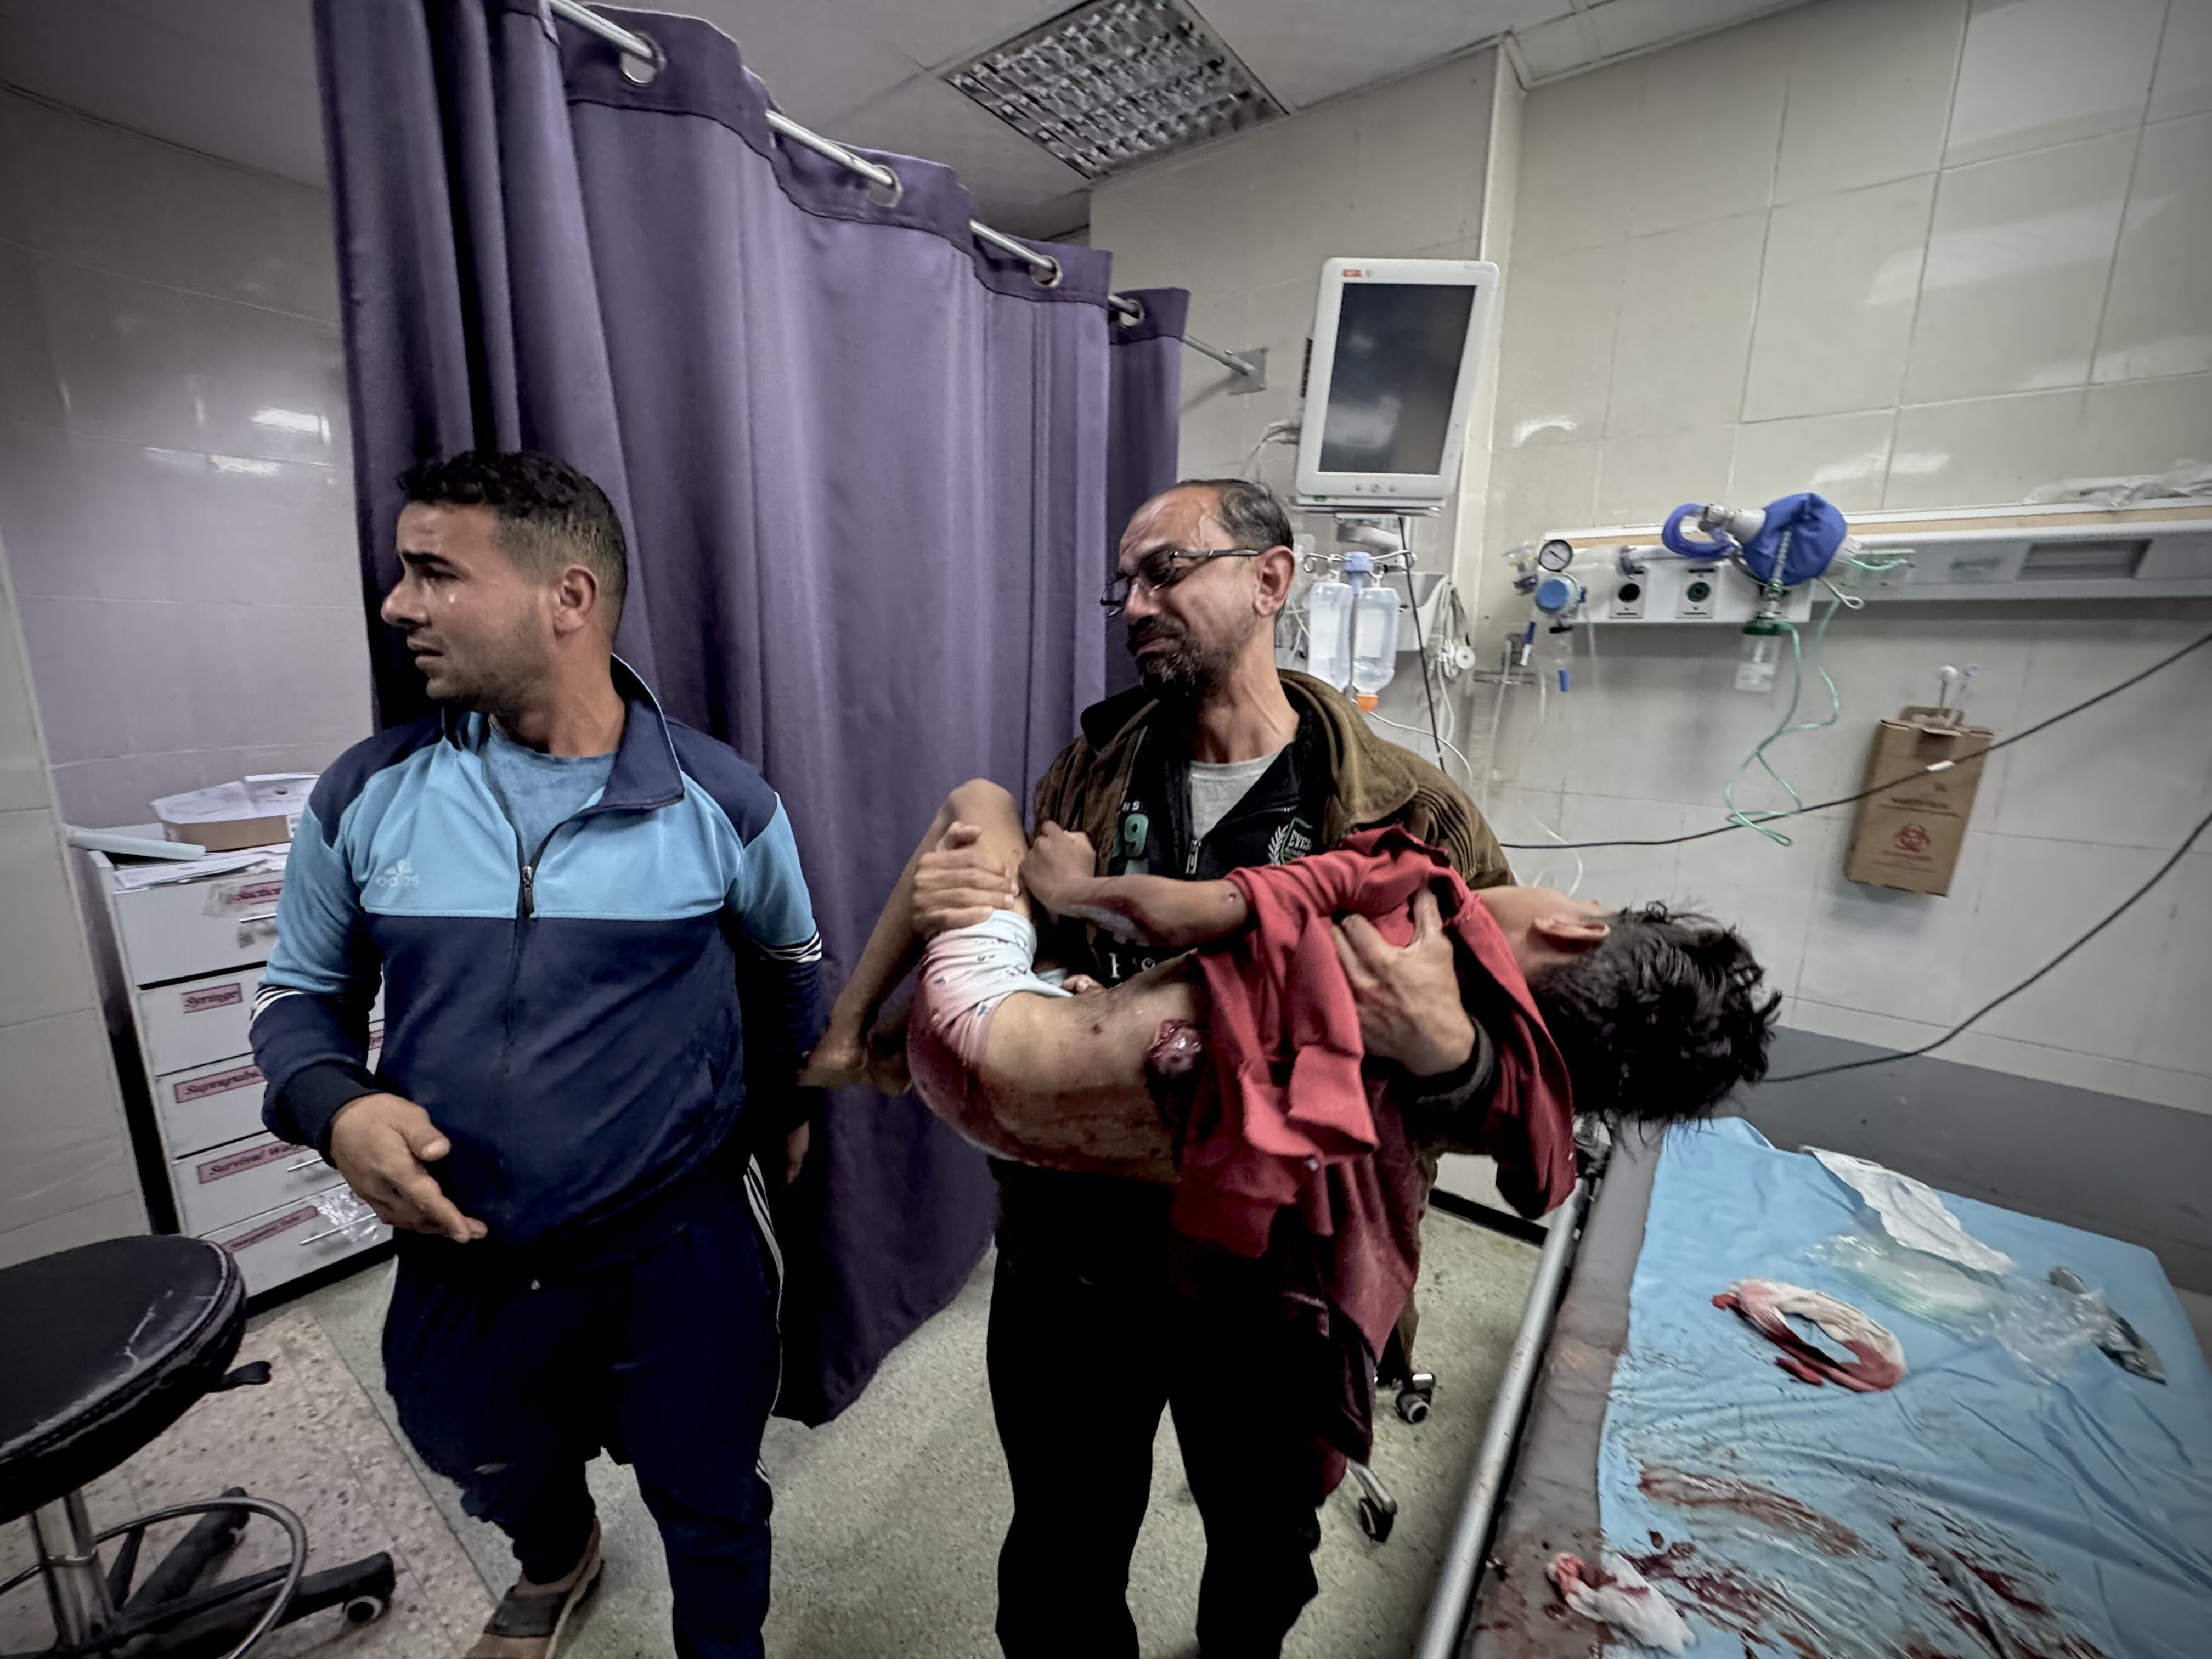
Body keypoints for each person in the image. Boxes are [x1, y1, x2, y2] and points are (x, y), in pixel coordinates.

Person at [905, 477, 1518, 1659]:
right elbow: (1015, 977)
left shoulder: (1406, 816)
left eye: (1165, 572)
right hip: (1076, 1258)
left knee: (1263, 1552)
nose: (1134, 605)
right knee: (1060, 1556)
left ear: (1271, 580)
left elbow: (1509, 1084)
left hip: (1280, 1276)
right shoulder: (1086, 777)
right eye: (1122, 585)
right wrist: (976, 921)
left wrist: (1442, 1051)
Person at [251, 451, 823, 1659]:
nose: (399, 604)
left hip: (679, 1246)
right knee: (476, 1445)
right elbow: (298, 998)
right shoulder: (367, 794)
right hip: (463, 1251)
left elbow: (788, 975)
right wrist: (335, 1109)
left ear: (568, 598)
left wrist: (782, 1112)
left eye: (435, 573)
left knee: (713, 1499)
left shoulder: (721, 800)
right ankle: (558, 1559)